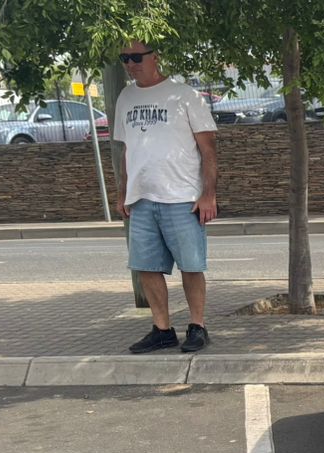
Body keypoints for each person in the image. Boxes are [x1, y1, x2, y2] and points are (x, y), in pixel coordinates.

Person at [115, 41, 220, 354]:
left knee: (191, 265)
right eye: (125, 58)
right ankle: (162, 330)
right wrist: (122, 192)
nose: (130, 64)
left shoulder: (185, 95)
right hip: (141, 198)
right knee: (146, 266)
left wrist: (208, 194)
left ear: (155, 57)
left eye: (136, 57)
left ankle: (197, 326)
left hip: (182, 196)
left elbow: (208, 149)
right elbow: (126, 150)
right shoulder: (125, 97)